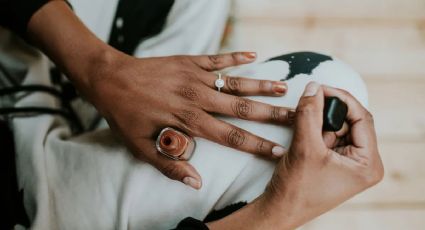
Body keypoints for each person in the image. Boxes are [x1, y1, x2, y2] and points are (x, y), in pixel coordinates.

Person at [0, 0, 384, 229]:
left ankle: (125, 113)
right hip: (52, 174)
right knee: (324, 84)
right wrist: (276, 214)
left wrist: (102, 72)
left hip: (38, 184)